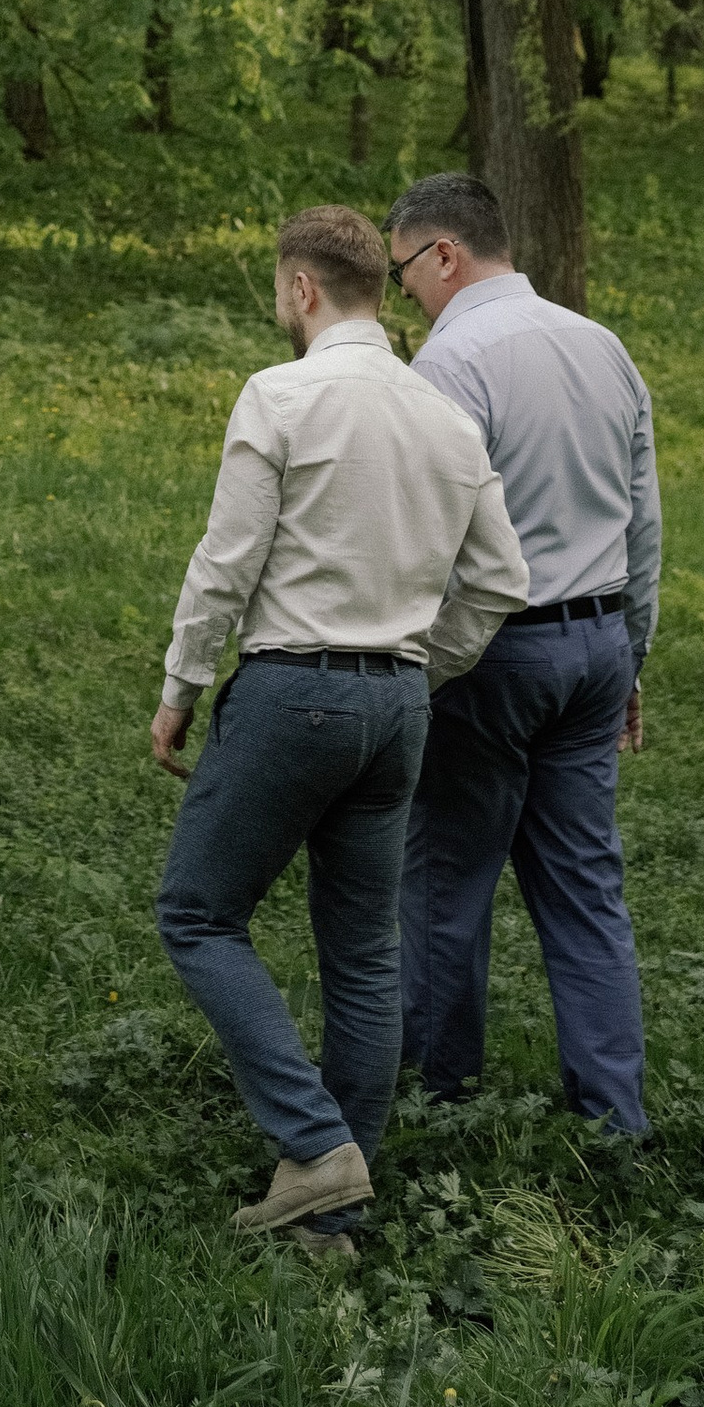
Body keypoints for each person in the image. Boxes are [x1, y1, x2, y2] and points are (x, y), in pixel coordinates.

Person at [152, 204, 527, 1254]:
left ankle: (315, 1146)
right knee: (363, 953)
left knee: (195, 912)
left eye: (279, 291)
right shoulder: (445, 418)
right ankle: (338, 1214)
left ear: (303, 290)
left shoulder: (282, 394)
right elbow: (502, 578)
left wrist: (181, 685)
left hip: (293, 691)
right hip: (398, 706)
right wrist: (421, 660)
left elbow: (225, 566)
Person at [387, 170, 660, 1141]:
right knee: (586, 891)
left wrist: (414, 670)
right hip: (594, 648)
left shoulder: (449, 367)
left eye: (403, 275)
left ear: (445, 255)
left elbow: (430, 538)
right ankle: (612, 1119)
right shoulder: (603, 347)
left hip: (491, 655)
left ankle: (437, 1102)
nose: (403, 298)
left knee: (444, 883)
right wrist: (630, 657)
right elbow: (643, 523)